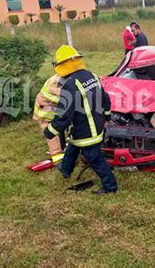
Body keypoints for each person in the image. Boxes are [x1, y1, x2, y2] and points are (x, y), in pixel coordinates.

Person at [44, 45, 118, 195]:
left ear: (62, 65)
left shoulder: (70, 84)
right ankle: (66, 169)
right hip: (94, 124)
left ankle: (111, 187)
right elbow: (105, 99)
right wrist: (107, 116)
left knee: (95, 158)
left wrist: (50, 131)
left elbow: (64, 114)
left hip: (86, 129)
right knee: (73, 146)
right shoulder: (92, 75)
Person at [33, 74, 65, 165]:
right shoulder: (57, 82)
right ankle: (57, 157)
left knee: (59, 129)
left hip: (53, 107)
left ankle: (62, 147)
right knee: (51, 132)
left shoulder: (63, 76)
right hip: (45, 109)